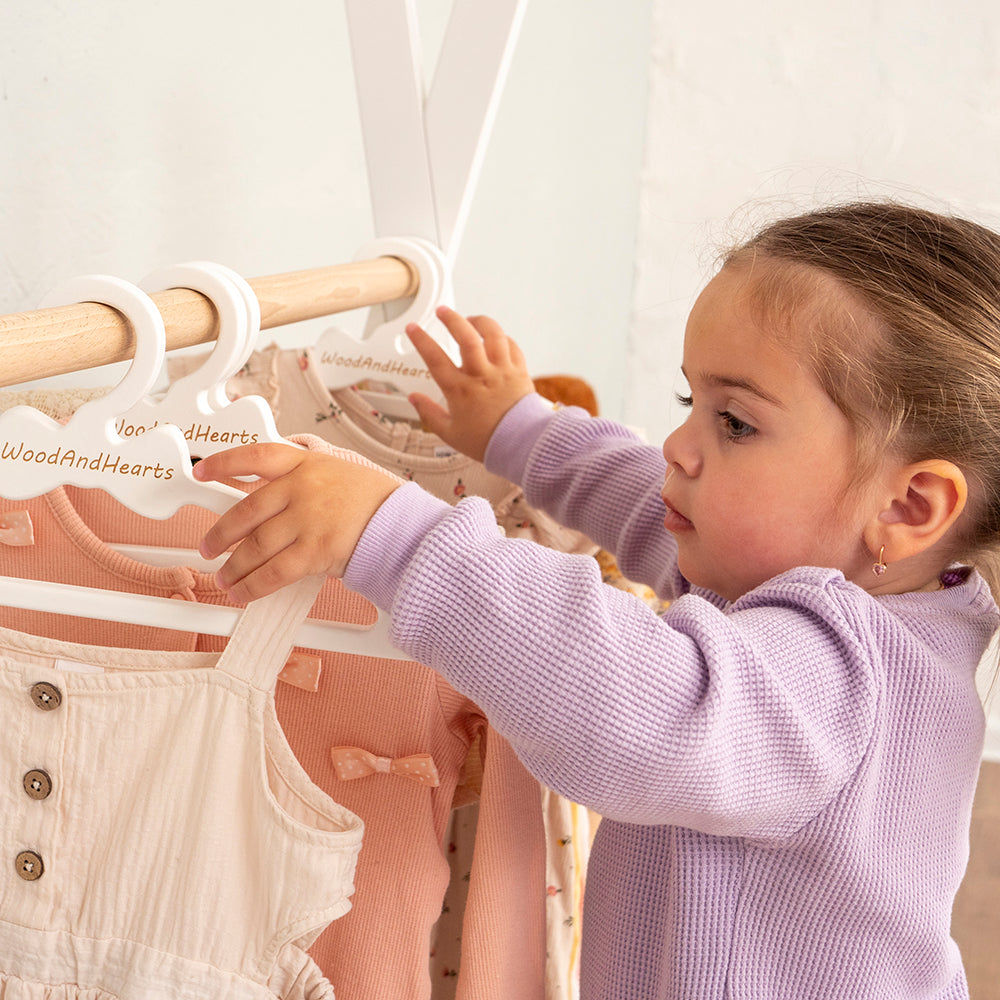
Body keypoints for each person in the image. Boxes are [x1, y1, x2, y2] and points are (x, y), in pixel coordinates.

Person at [193, 201, 1000, 999]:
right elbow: (640, 495)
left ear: (908, 507)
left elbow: (636, 703)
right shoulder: (813, 575)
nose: (679, 447)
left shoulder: (840, 678)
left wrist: (392, 535)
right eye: (693, 404)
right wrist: (523, 430)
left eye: (737, 424)